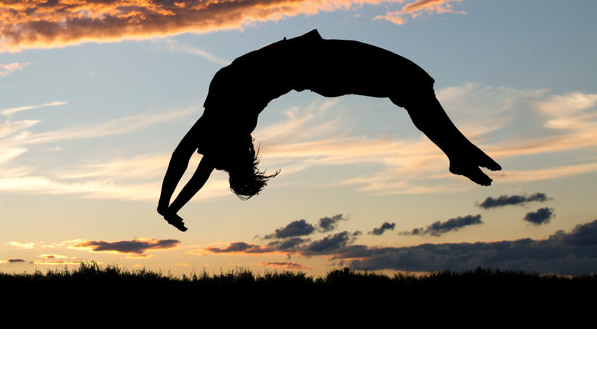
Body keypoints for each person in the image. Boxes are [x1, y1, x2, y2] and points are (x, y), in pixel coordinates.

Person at [157, 30, 502, 232]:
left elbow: (185, 160)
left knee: (412, 84)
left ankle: (457, 153)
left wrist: (168, 206)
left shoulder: (219, 123)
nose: (211, 158)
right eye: (225, 162)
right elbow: (190, 164)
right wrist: (168, 206)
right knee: (412, 82)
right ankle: (457, 152)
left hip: (317, 61)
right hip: (318, 64)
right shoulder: (228, 125)